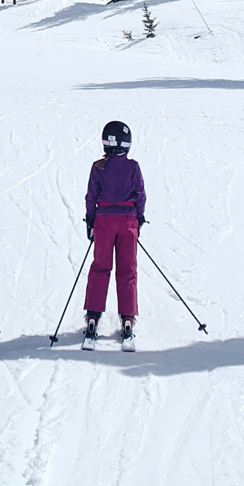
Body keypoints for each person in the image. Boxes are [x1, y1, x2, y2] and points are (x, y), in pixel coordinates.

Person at [83, 120, 145, 346]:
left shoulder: (98, 166)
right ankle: (127, 317)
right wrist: (139, 220)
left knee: (101, 267)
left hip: (103, 223)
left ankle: (92, 314)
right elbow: (140, 195)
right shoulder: (133, 167)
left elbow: (91, 197)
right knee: (127, 270)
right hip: (127, 222)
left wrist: (90, 221)